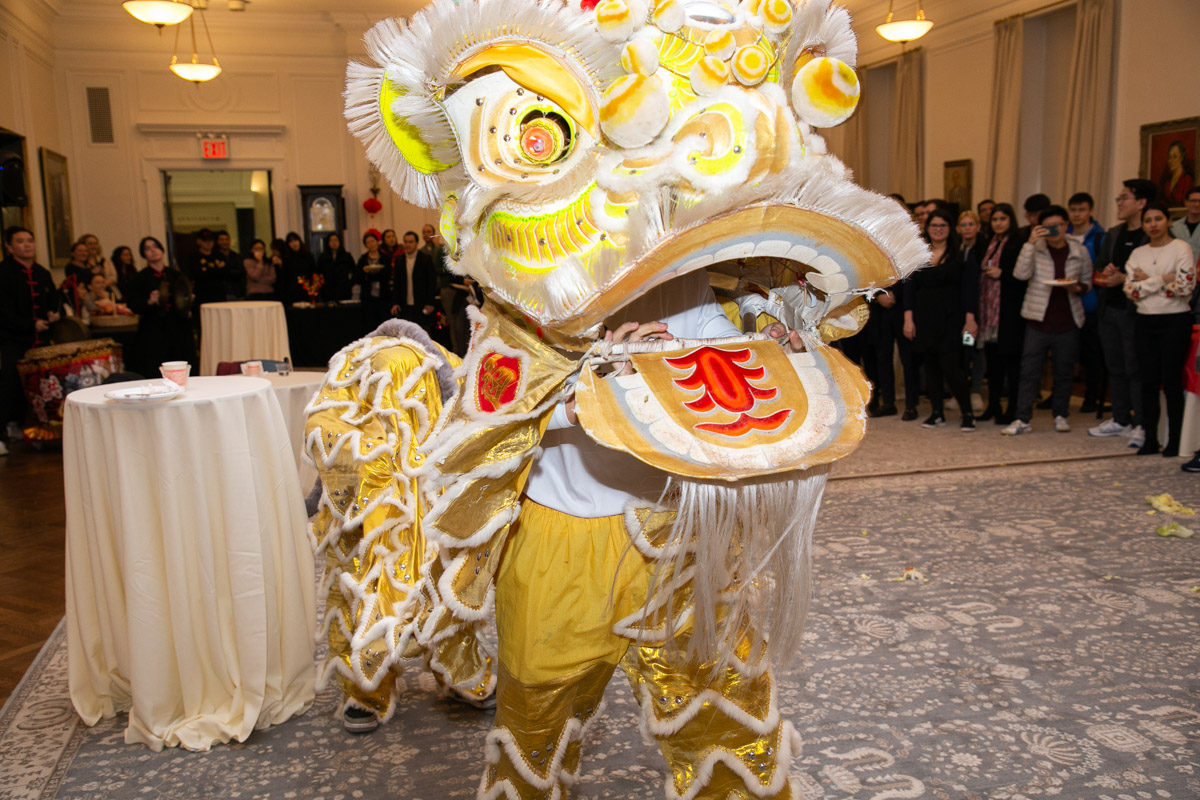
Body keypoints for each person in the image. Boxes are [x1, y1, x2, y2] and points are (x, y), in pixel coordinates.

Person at [1002, 205, 1092, 435]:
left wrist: (1076, 286)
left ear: (1065, 225)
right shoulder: (1035, 247)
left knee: (1064, 370)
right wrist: (1030, 243)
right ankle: (1022, 418)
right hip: (1037, 318)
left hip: (1068, 318)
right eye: (1049, 226)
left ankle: (1060, 414)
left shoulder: (1078, 250)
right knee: (1029, 371)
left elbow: (1087, 282)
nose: (1055, 230)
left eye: (1059, 225)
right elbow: (1020, 274)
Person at [1123, 201, 1196, 456]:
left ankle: (1175, 441)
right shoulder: (1138, 254)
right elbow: (1131, 291)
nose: (1153, 225)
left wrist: (1147, 282)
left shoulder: (1181, 248)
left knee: (1171, 380)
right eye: (1148, 220)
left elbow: (1185, 287)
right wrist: (1164, 279)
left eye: (1158, 219)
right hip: (1145, 320)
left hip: (1175, 319)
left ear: (1168, 221)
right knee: (1148, 383)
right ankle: (1150, 439)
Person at [1089, 178, 1157, 447]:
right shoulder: (1114, 233)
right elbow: (1100, 267)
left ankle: (1141, 422)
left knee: (1135, 367)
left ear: (1141, 203)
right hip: (1110, 308)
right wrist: (1106, 273)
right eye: (1118, 198)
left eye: (1124, 198)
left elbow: (1157, 273)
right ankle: (1120, 418)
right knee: (1115, 365)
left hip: (1136, 312)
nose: (1118, 203)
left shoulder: (1153, 235)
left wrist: (1125, 280)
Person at [903, 208, 977, 431]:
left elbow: (970, 290)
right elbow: (910, 288)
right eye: (934, 226)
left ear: (950, 229)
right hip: (924, 317)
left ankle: (968, 413)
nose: (937, 230)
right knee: (931, 367)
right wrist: (908, 318)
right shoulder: (919, 253)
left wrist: (970, 319)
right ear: (928, 228)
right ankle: (937, 413)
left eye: (942, 226)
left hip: (951, 319)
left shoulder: (962, 254)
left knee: (952, 368)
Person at [0, 226, 60, 450]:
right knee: (9, 384)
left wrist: (53, 313)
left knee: (42, 387)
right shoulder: (4, 272)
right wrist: (29, 324)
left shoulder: (42, 273)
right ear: (9, 246)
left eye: (30, 240)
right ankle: (2, 433)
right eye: (20, 241)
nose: (27, 245)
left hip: (41, 340)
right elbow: (3, 312)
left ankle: (38, 432)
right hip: (13, 339)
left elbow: (53, 298)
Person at [976, 203, 1026, 422]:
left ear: (1011, 220)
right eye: (995, 219)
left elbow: (1022, 277)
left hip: (1009, 314)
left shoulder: (1017, 244)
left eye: (1002, 219)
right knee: (993, 365)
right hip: (989, 313)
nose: (998, 223)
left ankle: (1013, 408)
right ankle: (993, 405)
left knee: (1011, 365)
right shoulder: (989, 242)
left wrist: (1002, 273)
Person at [125, 236, 196, 376]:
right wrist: (149, 302)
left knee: (181, 363)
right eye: (148, 248)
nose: (153, 251)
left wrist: (189, 301)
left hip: (178, 328)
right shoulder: (140, 278)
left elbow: (186, 298)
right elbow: (133, 305)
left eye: (156, 246)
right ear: (143, 254)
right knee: (156, 366)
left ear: (162, 250)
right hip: (154, 330)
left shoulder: (176, 275)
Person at [1066, 192, 1108, 414]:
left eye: (1081, 210)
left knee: (1091, 354)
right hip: (1065, 303)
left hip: (1090, 304)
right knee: (1066, 354)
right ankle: (1058, 393)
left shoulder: (1100, 237)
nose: (1077, 214)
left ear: (1090, 211)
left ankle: (1091, 396)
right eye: (1073, 210)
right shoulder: (1063, 235)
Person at [957, 210, 987, 414]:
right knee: (961, 349)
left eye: (971, 224)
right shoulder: (954, 248)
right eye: (964, 225)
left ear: (978, 227)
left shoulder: (985, 248)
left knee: (975, 347)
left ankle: (975, 390)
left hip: (980, 306)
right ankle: (960, 390)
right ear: (958, 229)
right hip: (957, 307)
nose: (967, 228)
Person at [389, 231, 437, 328]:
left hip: (421, 303)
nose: (408, 245)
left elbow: (431, 282)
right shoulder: (399, 260)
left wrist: (430, 303)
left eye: (411, 242)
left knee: (423, 332)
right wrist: (395, 303)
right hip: (404, 304)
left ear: (416, 243)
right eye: (406, 242)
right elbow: (396, 283)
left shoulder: (425, 259)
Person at [184, 229, 228, 318]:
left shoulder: (219, 255)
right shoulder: (194, 257)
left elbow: (225, 273)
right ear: (199, 241)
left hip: (218, 295)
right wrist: (216, 269)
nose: (209, 243)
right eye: (205, 241)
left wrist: (207, 270)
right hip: (202, 295)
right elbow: (196, 274)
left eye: (211, 241)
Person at [357, 230, 391, 328]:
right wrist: (364, 272)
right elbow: (358, 278)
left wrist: (370, 276)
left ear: (377, 242)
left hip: (383, 297)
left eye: (372, 241)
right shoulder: (363, 259)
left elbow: (387, 275)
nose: (371, 244)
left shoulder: (385, 258)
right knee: (370, 325)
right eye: (368, 242)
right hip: (368, 299)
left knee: (384, 325)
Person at [318, 232, 359, 301]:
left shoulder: (347, 256)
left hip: (344, 290)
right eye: (331, 240)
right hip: (328, 290)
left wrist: (349, 284)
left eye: (336, 240)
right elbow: (319, 273)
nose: (334, 243)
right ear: (328, 243)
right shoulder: (323, 257)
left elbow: (355, 272)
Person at [282, 231, 317, 305]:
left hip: (307, 290)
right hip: (292, 292)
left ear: (299, 241)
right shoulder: (286, 258)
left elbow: (313, 272)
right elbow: (285, 278)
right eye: (291, 241)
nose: (294, 243)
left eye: (296, 240)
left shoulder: (308, 256)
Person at [61, 241, 94, 318]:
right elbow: (78, 284)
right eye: (80, 251)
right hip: (79, 297)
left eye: (85, 251)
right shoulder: (70, 267)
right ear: (73, 253)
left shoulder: (88, 266)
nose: (83, 253)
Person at [1158, 140, 1195, 207]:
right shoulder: (1167, 182)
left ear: (1181, 158)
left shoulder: (1187, 179)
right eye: (1169, 157)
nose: (1171, 161)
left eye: (1175, 156)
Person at [1168, 185, 1200, 262]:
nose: (1197, 204)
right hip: (1179, 270)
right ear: (1186, 202)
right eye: (1193, 201)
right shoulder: (1173, 227)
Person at [214, 231, 245, 300]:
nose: (225, 242)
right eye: (222, 240)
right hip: (222, 292)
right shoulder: (214, 257)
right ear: (217, 242)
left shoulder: (236, 256)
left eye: (226, 239)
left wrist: (226, 271)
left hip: (238, 292)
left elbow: (241, 272)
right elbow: (217, 274)